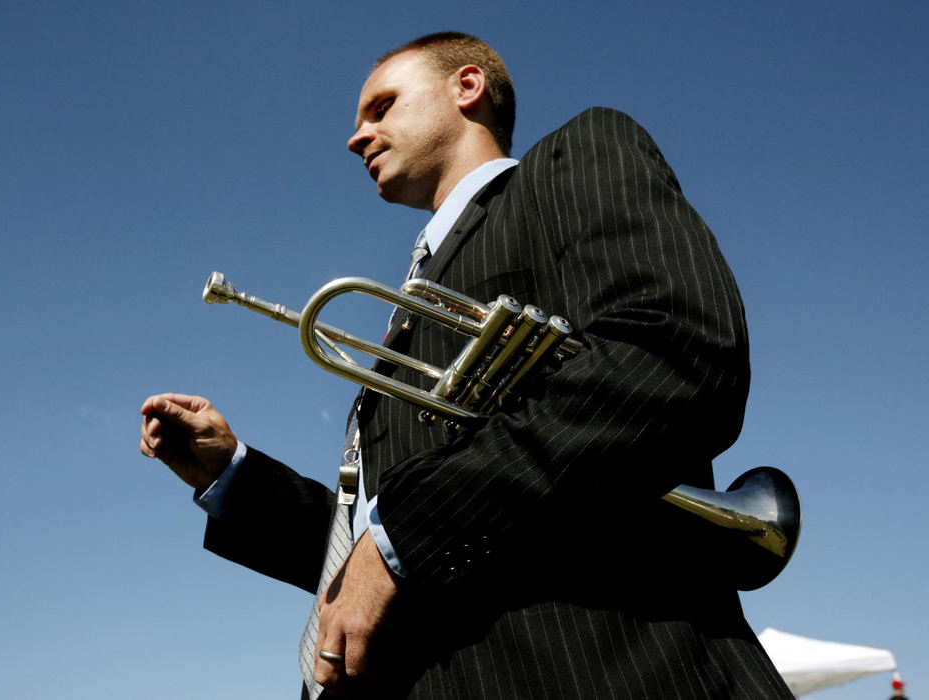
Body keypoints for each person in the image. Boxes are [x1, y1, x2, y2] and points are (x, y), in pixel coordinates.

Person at [140, 32, 792, 699]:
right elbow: (373, 557)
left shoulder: (574, 159)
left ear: (468, 87)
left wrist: (401, 534)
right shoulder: (410, 307)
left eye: (382, 107)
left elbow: (673, 352)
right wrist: (233, 478)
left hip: (606, 670)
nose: (356, 137)